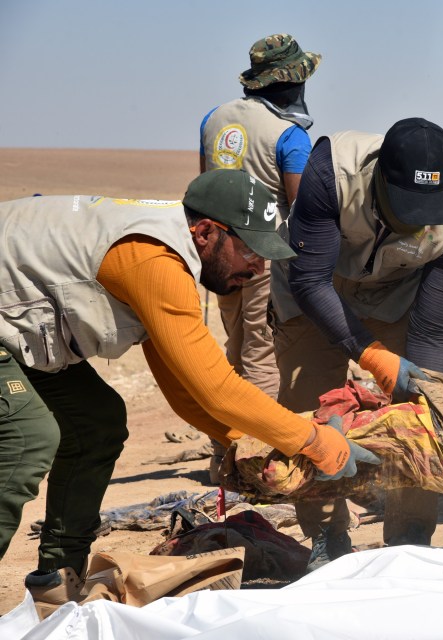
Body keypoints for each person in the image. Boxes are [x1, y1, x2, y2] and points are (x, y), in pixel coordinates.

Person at [0, 170, 378, 609]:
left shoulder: (171, 257)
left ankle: (56, 582)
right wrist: (315, 443)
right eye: (250, 250)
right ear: (205, 233)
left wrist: (242, 442)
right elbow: (216, 386)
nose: (257, 268)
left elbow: (184, 390)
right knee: (29, 436)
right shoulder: (153, 262)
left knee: (96, 422)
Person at [269, 118, 443, 569]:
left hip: (395, 292)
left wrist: (427, 395)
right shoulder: (330, 174)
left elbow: (431, 332)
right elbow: (310, 281)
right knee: (309, 406)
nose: (415, 220)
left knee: (423, 405)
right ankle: (328, 535)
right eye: (405, 206)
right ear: (379, 177)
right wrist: (373, 355)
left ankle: (411, 534)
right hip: (313, 284)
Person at [199, 34, 320, 481]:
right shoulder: (289, 136)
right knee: (262, 352)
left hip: (215, 252)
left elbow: (203, 187)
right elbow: (303, 209)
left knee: (230, 351)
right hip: (261, 255)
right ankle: (257, 460)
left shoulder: (214, 120)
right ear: (291, 84)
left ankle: (221, 454)